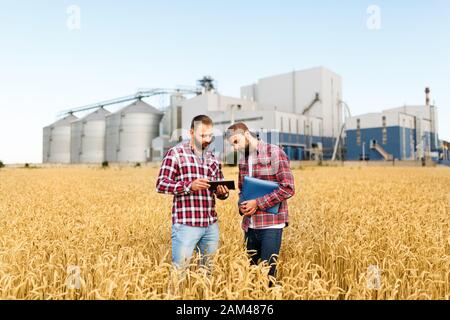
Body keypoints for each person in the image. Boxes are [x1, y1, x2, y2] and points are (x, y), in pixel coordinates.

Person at [225, 122, 295, 286]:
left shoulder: (275, 153)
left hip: (271, 226)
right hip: (250, 226)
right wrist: (242, 204)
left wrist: (257, 203)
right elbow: (242, 190)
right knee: (251, 277)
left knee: (268, 277)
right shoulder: (243, 160)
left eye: (236, 142)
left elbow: (288, 188)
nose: (235, 148)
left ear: (247, 135)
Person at [156, 115, 229, 271]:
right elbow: (161, 184)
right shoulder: (175, 153)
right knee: (180, 272)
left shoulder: (213, 158)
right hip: (186, 225)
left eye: (210, 135)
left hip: (210, 225)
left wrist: (223, 192)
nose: (207, 139)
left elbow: (220, 187)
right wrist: (189, 186)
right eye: (203, 135)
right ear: (191, 132)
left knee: (207, 272)